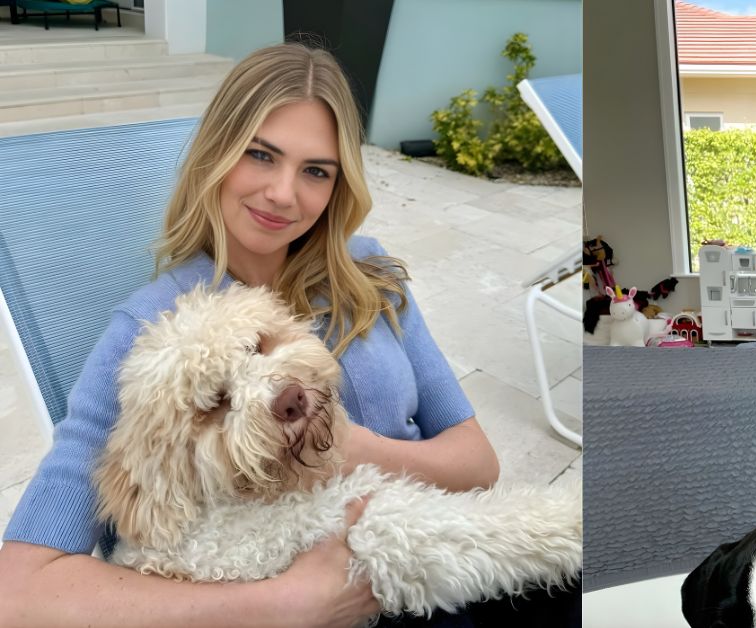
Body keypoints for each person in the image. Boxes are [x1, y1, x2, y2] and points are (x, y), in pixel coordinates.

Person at [0, 43, 574, 627]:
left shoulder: (368, 272)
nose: (282, 194)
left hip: (440, 555)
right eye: (260, 155)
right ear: (216, 153)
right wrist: (286, 605)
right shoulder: (151, 337)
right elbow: (21, 588)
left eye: (315, 171)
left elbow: (477, 462)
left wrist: (353, 451)